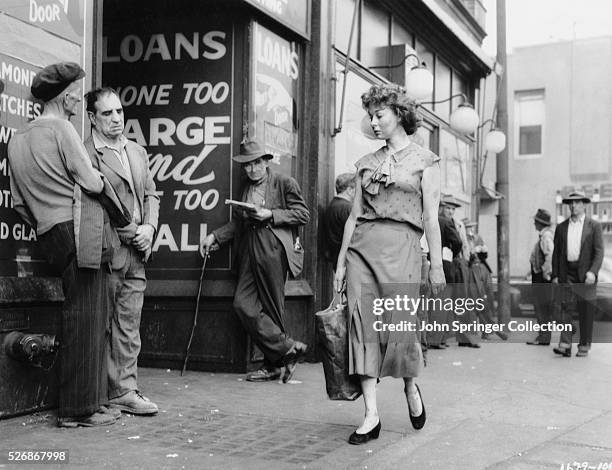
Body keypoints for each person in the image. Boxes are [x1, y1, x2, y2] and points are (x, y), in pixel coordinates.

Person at [8, 63, 130, 427]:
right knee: (86, 317)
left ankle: (91, 402)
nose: (80, 96)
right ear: (64, 96)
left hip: (49, 234)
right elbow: (91, 181)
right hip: (78, 229)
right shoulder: (61, 127)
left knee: (83, 312)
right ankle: (78, 411)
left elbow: (17, 204)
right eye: (77, 91)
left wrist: (46, 224)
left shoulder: (17, 138)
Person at [333, 84, 445, 445]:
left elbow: (431, 218)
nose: (374, 121)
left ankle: (410, 386)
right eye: (371, 116)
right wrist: (339, 264)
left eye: (380, 115)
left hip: (404, 250)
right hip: (362, 251)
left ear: (399, 114)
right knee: (362, 327)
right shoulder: (366, 164)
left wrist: (437, 265)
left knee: (399, 326)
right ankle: (370, 414)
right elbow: (353, 217)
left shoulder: (425, 162)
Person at [200, 140, 310, 383]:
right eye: (247, 165)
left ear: (266, 162)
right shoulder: (246, 188)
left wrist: (270, 214)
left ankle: (272, 366)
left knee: (272, 306)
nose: (252, 169)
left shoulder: (284, 183)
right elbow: (239, 223)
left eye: (256, 163)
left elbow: (303, 214)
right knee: (242, 304)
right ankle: (288, 349)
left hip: (272, 249)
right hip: (249, 248)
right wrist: (215, 236)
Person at [84, 87, 160, 415]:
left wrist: (150, 229)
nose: (117, 119)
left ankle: (124, 390)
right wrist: (134, 232)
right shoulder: (86, 154)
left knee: (129, 323)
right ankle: (96, 391)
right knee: (102, 322)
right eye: (107, 114)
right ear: (91, 118)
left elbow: (152, 195)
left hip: (137, 252)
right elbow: (97, 203)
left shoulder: (137, 152)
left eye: (119, 112)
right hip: (108, 249)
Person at [551, 191, 603, 358]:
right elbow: (556, 254)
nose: (573, 206)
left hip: (586, 274)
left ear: (584, 204)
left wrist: (593, 272)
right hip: (568, 273)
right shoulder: (561, 227)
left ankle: (584, 345)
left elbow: (599, 252)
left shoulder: (594, 226)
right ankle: (565, 344)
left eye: (577, 202)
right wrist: (555, 275)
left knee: (586, 310)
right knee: (566, 308)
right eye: (570, 203)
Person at [464, 220, 508, 341]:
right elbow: (466, 256)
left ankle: (487, 329)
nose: (470, 230)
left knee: (486, 298)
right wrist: (473, 251)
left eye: (471, 227)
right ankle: (490, 328)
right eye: (468, 227)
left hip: (482, 269)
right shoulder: (464, 238)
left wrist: (482, 249)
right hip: (471, 271)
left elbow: (484, 255)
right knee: (477, 300)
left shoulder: (477, 237)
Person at [526, 209, 555, 346]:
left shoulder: (546, 237)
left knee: (541, 307)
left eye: (535, 221)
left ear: (539, 223)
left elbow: (550, 256)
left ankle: (544, 337)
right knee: (543, 307)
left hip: (541, 278)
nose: (533, 224)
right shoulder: (544, 236)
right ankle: (543, 336)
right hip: (540, 277)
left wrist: (544, 273)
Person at [323, 172, 355, 269]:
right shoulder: (348, 208)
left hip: (336, 259)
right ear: (349, 190)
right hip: (348, 261)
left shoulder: (331, 206)